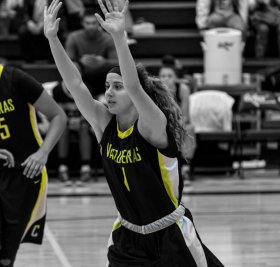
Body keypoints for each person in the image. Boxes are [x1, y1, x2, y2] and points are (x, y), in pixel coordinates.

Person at [44, 0, 224, 265]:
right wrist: (52, 39)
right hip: (127, 237)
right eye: (107, 86)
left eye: (117, 87)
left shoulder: (152, 124)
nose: (108, 92)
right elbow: (74, 83)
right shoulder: (104, 124)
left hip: (170, 237)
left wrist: (118, 37)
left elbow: (134, 84)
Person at [0, 29, 66, 267]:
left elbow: (59, 116)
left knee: (5, 259)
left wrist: (42, 153)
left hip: (24, 174)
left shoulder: (16, 79)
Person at [65, 8, 118, 97]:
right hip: (82, 78)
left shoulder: (108, 39)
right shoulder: (73, 37)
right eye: (88, 23)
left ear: (99, 23)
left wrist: (104, 62)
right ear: (82, 23)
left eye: (94, 23)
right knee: (74, 65)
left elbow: (117, 62)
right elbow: (66, 62)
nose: (91, 26)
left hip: (104, 77)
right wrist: (80, 61)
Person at [51, 80, 93, 185]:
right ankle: (62, 168)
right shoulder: (57, 90)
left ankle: (86, 168)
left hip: (83, 121)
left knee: (84, 128)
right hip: (64, 121)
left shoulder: (87, 88)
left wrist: (81, 120)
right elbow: (56, 112)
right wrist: (68, 121)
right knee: (62, 128)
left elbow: (92, 109)